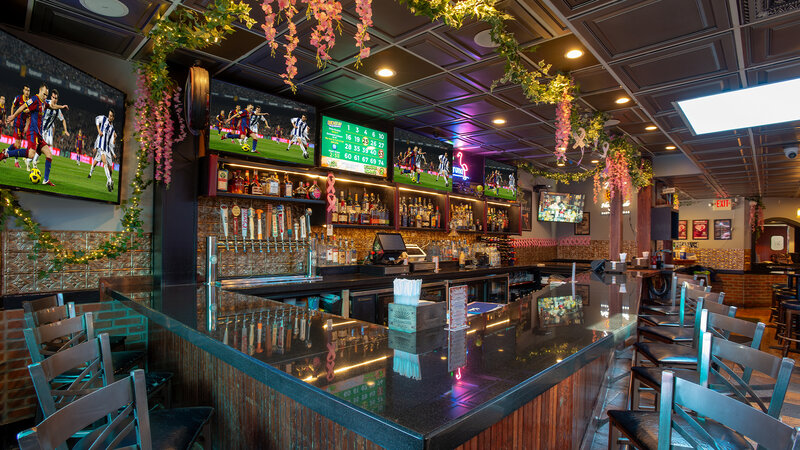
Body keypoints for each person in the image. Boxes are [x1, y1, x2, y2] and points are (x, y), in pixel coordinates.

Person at [2, 83, 68, 186]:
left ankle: (46, 180)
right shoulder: (35, 99)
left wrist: (62, 107)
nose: (45, 96)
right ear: (40, 91)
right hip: (32, 132)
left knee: (49, 155)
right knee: (31, 154)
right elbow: (23, 106)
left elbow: (52, 106)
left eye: (47, 95)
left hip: (39, 135)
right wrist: (14, 116)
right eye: (44, 94)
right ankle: (7, 154)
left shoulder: (43, 103)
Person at [33, 89, 69, 169]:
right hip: (39, 127)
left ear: (57, 99)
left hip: (45, 131)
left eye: (55, 98)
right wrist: (62, 106)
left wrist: (65, 130)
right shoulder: (47, 102)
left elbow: (63, 120)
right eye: (53, 97)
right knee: (39, 147)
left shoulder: (58, 111)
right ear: (51, 97)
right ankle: (31, 159)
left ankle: (32, 161)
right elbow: (51, 106)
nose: (54, 99)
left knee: (40, 148)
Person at [88, 110, 116, 192]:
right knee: (104, 163)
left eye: (111, 116)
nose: (109, 117)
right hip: (101, 147)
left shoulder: (112, 128)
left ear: (113, 118)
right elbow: (96, 119)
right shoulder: (103, 119)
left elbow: (111, 143)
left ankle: (109, 181)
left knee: (111, 169)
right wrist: (98, 130)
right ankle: (110, 181)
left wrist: (114, 139)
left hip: (107, 149)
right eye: (109, 115)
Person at [5, 86, 31, 170]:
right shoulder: (18, 98)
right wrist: (12, 118)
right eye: (26, 90)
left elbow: (29, 116)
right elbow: (13, 106)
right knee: (18, 145)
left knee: (17, 144)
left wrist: (27, 126)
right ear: (23, 90)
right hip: (17, 123)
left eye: (28, 90)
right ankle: (16, 162)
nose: (27, 92)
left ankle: (6, 152)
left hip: (23, 125)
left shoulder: (30, 102)